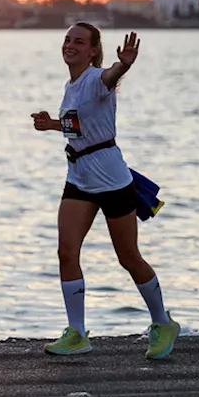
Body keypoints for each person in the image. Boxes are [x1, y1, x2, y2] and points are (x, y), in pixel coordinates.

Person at [30, 23, 179, 359]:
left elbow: (111, 76)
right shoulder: (71, 85)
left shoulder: (98, 79)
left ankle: (162, 322)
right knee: (66, 252)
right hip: (79, 178)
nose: (70, 45)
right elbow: (79, 126)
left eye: (79, 42)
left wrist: (124, 64)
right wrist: (51, 124)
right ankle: (77, 333)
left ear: (93, 50)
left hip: (112, 180)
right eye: (67, 39)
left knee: (129, 258)